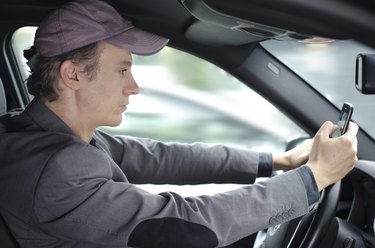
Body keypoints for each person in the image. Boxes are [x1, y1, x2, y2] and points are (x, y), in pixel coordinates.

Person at [0, 0, 358, 247]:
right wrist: (313, 179)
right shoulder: (56, 170)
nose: (134, 86)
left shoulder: (41, 133)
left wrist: (277, 162)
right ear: (73, 74)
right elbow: (184, 223)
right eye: (122, 70)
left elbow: (158, 156)